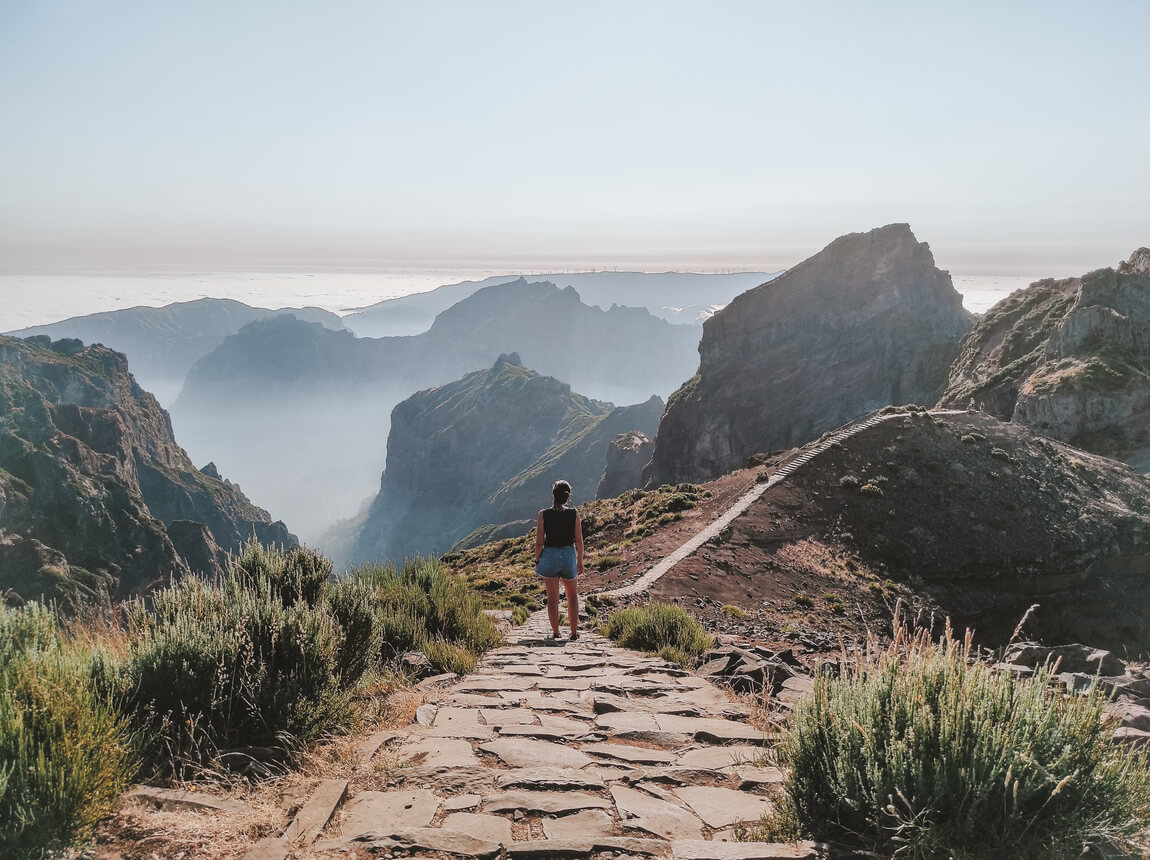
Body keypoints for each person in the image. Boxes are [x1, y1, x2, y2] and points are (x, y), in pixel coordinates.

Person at [534, 479, 583, 640]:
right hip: (569, 555)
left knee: (553, 598)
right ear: (567, 497)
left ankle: (556, 632)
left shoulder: (543, 514)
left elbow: (539, 542)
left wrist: (537, 560)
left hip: (550, 555)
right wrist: (580, 561)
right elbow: (579, 540)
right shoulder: (574, 513)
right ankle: (574, 632)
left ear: (553, 494)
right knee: (572, 596)